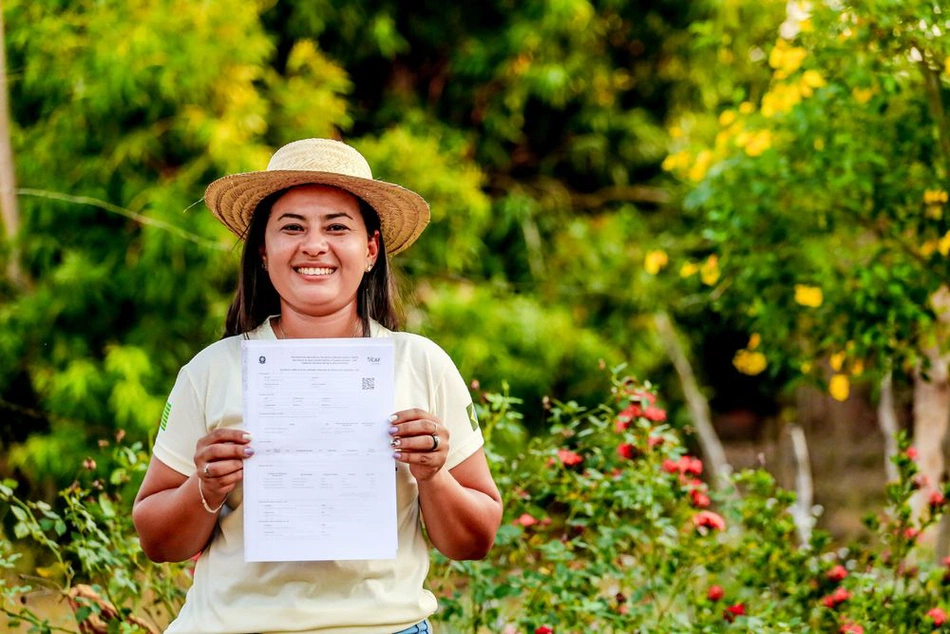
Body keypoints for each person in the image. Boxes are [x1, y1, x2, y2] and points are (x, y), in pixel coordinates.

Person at [132, 138, 503, 634]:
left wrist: (434, 474)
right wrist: (206, 486)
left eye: (336, 227)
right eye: (291, 227)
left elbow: (474, 541)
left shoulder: (421, 364)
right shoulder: (213, 370)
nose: (313, 245)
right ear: (263, 250)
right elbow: (157, 542)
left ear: (371, 249)